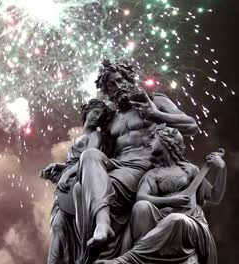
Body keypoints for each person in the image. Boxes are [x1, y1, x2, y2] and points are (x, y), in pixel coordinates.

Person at [74, 60, 198, 263]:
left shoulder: (154, 101)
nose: (118, 86)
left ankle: (100, 239)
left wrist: (156, 115)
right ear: (107, 91)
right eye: (111, 85)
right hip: (118, 166)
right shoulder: (110, 120)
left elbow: (192, 125)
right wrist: (66, 168)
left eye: (120, 80)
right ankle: (101, 228)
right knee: (86, 165)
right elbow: (99, 152)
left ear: (130, 79)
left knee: (83, 190)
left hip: (143, 167)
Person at [96, 125, 226, 264]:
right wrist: (171, 201)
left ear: (167, 142)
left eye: (154, 139)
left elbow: (215, 196)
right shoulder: (153, 174)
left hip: (189, 223)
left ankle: (127, 260)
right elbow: (141, 197)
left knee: (176, 220)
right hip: (162, 220)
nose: (149, 143)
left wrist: (222, 168)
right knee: (141, 207)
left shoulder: (190, 170)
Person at [41, 99, 112, 264]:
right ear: (86, 112)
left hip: (79, 182)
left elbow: (89, 156)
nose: (96, 117)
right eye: (95, 112)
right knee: (57, 227)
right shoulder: (81, 137)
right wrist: (59, 167)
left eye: (100, 116)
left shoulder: (96, 135)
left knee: (70, 229)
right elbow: (73, 161)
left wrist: (67, 174)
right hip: (67, 186)